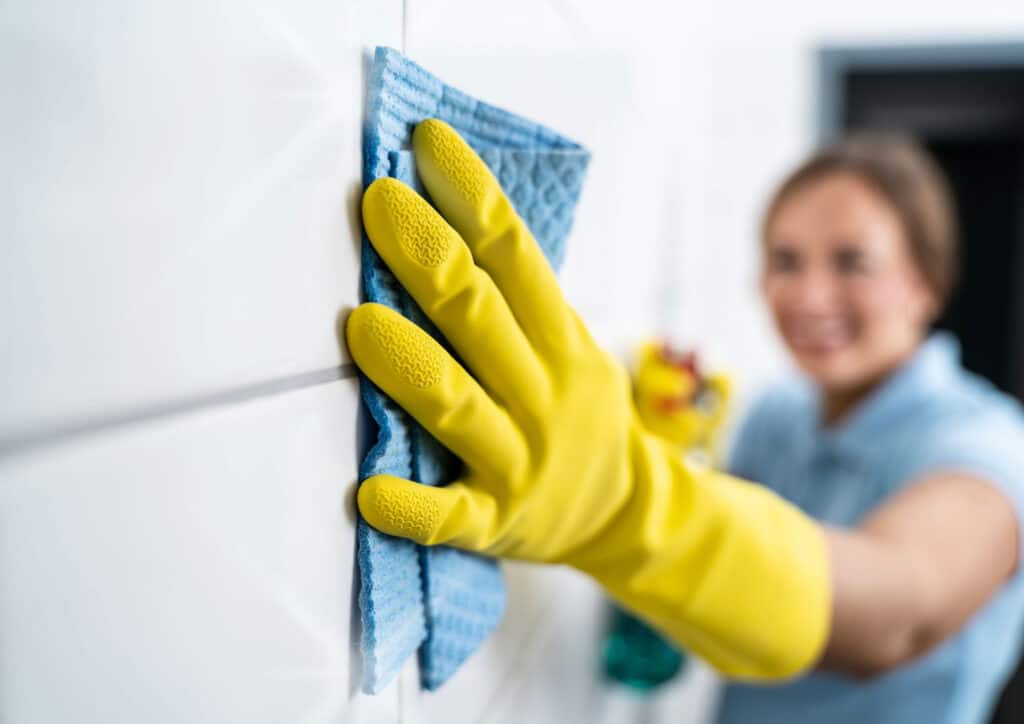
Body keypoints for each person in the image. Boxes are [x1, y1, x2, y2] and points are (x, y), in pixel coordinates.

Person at [346, 119, 1024, 723]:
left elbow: (904, 613)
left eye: (852, 263)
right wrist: (665, 444)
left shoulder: (989, 445)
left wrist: (621, 505)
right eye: (785, 261)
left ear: (925, 282)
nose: (811, 296)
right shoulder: (780, 418)